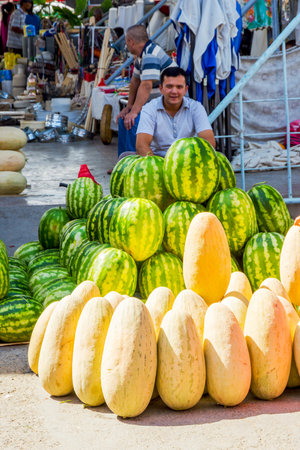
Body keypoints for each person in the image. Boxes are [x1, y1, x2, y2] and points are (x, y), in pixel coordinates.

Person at [116, 24, 177, 157]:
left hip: (169, 105)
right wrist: (130, 107)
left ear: (131, 42)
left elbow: (146, 85)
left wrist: (134, 112)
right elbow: (135, 81)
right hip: (156, 103)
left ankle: (135, 162)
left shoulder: (150, 54)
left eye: (126, 42)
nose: (126, 45)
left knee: (134, 121)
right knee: (123, 119)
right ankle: (123, 161)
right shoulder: (141, 55)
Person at [136, 66, 216, 157]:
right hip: (158, 159)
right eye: (169, 86)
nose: (174, 91)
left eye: (179, 87)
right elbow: (141, 146)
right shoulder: (149, 109)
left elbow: (209, 143)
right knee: (125, 156)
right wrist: (157, 166)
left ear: (185, 90)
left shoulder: (196, 108)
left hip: (188, 160)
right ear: (161, 89)